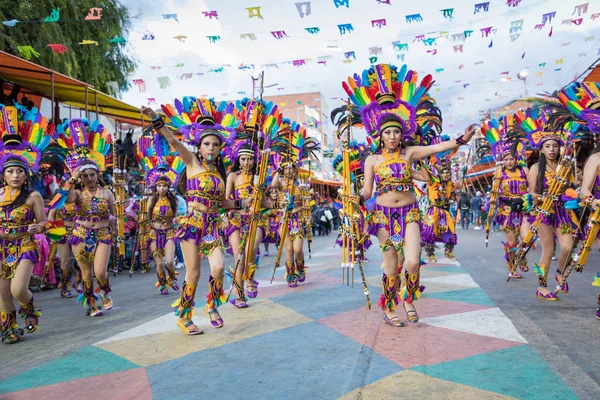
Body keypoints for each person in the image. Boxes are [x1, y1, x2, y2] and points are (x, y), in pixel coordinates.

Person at [344, 63, 476, 327]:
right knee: (391, 266)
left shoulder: (410, 153)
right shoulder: (371, 159)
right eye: (387, 132)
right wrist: (354, 197)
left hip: (410, 214)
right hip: (383, 217)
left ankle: (409, 298)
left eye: (396, 131)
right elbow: (367, 191)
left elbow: (439, 147)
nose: (392, 136)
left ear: (401, 133)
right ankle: (390, 306)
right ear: (379, 136)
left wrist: (461, 140)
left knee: (413, 262)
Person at [142, 99, 251, 334]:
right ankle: (185, 315)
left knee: (219, 267)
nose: (211, 148)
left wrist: (242, 203)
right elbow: (172, 140)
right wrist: (154, 118)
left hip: (212, 226)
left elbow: (222, 203)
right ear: (199, 147)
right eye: (207, 144)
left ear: (220, 149)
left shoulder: (219, 173)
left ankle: (212, 304)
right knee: (193, 272)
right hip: (193, 224)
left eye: (215, 145)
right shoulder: (191, 162)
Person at [519, 109, 579, 301]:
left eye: (555, 146)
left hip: (562, 212)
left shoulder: (565, 168)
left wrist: (575, 187)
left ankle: (559, 272)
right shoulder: (536, 168)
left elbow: (571, 189)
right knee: (548, 250)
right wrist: (539, 197)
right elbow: (531, 192)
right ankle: (541, 286)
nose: (552, 149)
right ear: (541, 149)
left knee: (568, 247)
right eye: (548, 146)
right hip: (544, 212)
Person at [0, 112, 48, 345]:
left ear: (26, 174)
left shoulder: (33, 196)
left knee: (19, 289)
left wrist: (36, 227)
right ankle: (9, 328)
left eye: (19, 171)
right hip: (2, 247)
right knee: (3, 292)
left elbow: (45, 223)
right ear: (4, 175)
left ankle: (29, 308)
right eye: (10, 171)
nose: (15, 175)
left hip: (25, 244)